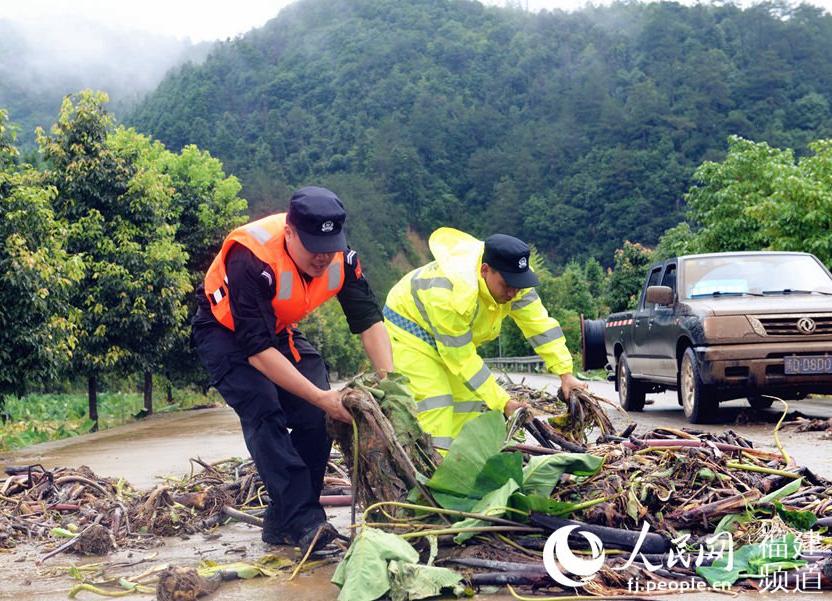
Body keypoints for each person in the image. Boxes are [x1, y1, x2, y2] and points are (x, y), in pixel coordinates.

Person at [191, 186, 393, 551]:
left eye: (329, 246)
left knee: (316, 419)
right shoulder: (250, 256)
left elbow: (368, 321)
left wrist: (390, 383)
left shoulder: (342, 261)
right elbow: (256, 351)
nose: (323, 258)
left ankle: (283, 522)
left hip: (279, 331)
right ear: (289, 233)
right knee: (263, 407)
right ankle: (306, 521)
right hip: (225, 332)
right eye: (313, 246)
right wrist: (322, 397)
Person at [384, 228, 587, 452]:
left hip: (450, 339)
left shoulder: (516, 282)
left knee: (467, 402)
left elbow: (540, 326)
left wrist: (565, 374)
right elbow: (462, 359)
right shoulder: (452, 295)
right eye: (506, 285)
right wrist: (504, 402)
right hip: (411, 331)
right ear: (484, 270)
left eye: (517, 286)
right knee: (436, 401)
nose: (512, 293)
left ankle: (462, 467)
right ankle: (430, 474)